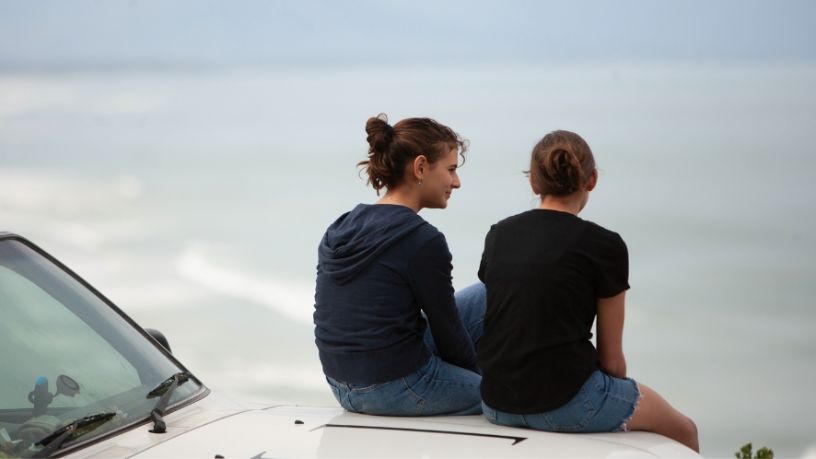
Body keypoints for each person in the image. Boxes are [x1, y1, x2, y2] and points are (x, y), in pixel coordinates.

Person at [477, 130, 699, 451]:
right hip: (568, 402)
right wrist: (615, 394)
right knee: (684, 431)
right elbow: (611, 361)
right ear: (591, 179)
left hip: (497, 404)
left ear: (533, 183)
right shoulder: (604, 245)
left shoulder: (499, 234)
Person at [314, 113, 485, 416]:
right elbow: (448, 335)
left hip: (339, 383)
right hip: (394, 386)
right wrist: (478, 382)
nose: (456, 182)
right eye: (451, 169)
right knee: (510, 400)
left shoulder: (340, 226)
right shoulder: (422, 239)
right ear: (420, 167)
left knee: (488, 293)